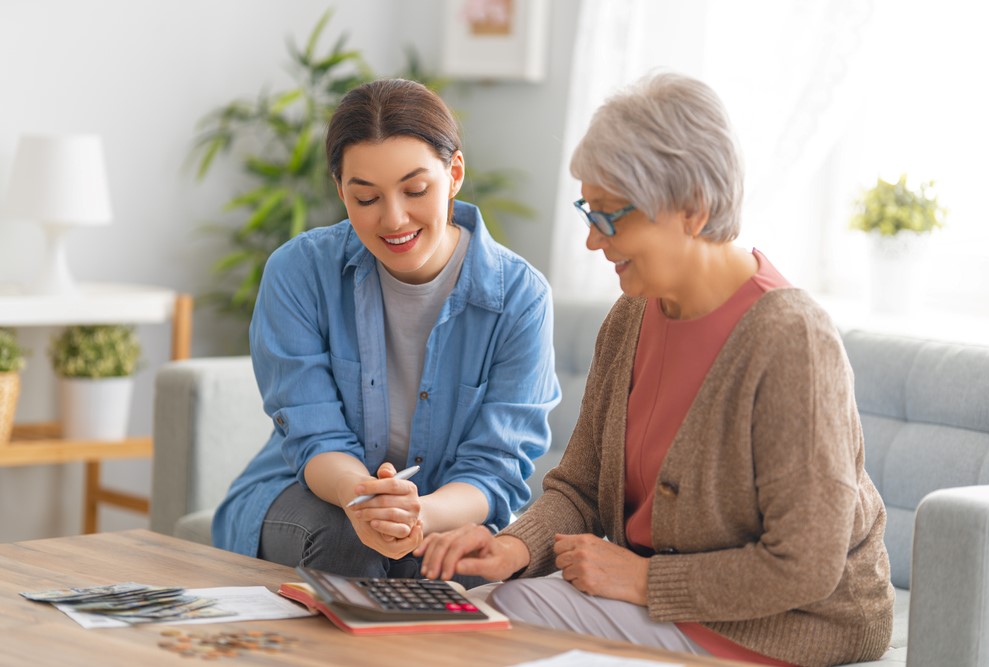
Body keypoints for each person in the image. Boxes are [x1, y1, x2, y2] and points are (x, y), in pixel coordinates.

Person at [416, 72, 894, 666]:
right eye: (588, 211)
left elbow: (807, 565)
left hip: (785, 625)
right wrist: (515, 545)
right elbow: (581, 487)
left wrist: (644, 582)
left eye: (611, 217)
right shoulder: (631, 316)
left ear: (692, 209)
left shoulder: (790, 339)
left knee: (477, 630)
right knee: (476, 605)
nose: (592, 240)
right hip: (668, 607)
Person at [212, 78, 561, 584]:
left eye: (415, 190)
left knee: (453, 567)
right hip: (312, 495)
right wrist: (364, 499)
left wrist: (420, 514)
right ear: (341, 191)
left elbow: (496, 467)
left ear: (455, 173)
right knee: (346, 541)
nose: (393, 218)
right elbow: (314, 435)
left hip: (446, 508)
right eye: (366, 198)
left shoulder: (519, 297)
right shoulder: (299, 272)